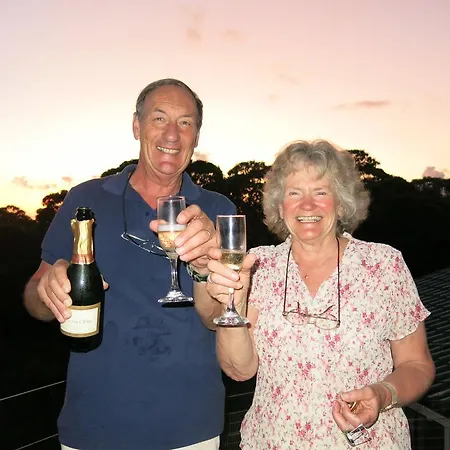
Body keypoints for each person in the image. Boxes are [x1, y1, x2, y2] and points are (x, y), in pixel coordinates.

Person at [23, 78, 234, 450]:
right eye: (159, 118)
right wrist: (48, 291)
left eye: (185, 122)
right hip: (92, 426)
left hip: (190, 429)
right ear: (137, 126)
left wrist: (205, 267)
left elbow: (222, 318)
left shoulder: (219, 211)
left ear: (197, 136)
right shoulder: (85, 200)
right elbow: (34, 301)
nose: (172, 134)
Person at [203, 140, 435, 449]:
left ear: (341, 202)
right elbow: (239, 370)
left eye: (321, 192)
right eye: (294, 193)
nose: (307, 205)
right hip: (274, 442)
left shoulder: (383, 265)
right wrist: (233, 302)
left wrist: (383, 394)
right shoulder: (258, 265)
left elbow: (417, 365)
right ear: (279, 205)